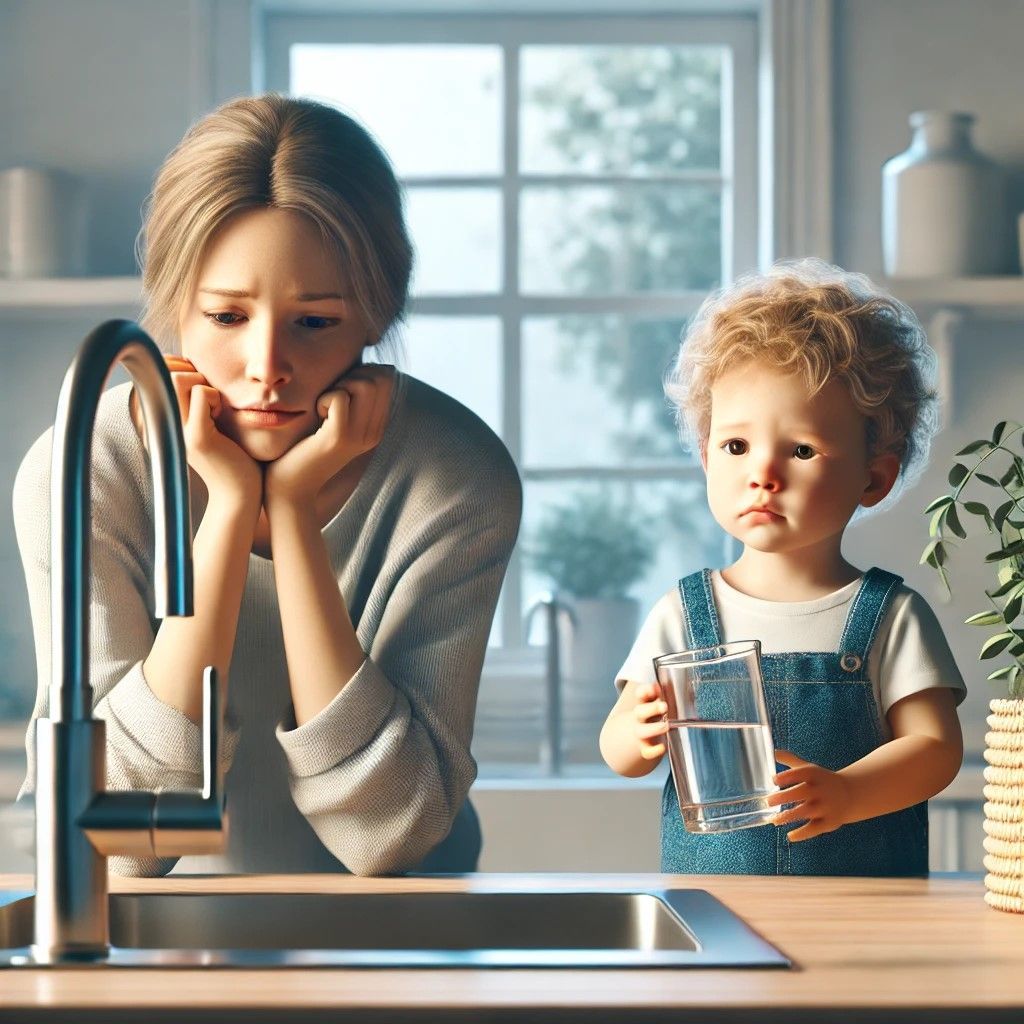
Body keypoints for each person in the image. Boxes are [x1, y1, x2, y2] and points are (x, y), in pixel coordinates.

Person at [14, 93, 522, 877]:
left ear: (375, 317)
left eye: (314, 322)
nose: (266, 367)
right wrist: (226, 517)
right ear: (176, 304)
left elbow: (390, 831)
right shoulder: (88, 464)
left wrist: (288, 513)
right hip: (171, 929)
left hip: (407, 935)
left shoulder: (456, 476)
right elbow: (117, 834)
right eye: (226, 317)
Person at [599, 258, 965, 876]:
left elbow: (935, 750)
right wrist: (635, 733)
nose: (762, 473)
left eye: (800, 449)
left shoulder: (891, 617)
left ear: (874, 477)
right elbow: (621, 753)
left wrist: (849, 793)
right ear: (707, 459)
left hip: (864, 915)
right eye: (736, 445)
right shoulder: (684, 616)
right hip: (714, 914)